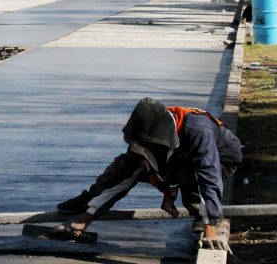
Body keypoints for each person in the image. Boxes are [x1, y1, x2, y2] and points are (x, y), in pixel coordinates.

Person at [54, 97, 242, 252]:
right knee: (122, 166)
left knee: (190, 174)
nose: (141, 148)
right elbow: (123, 179)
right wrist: (88, 216)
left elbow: (209, 174)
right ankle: (87, 201)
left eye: (146, 145)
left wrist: (210, 227)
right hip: (179, 157)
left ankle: (203, 216)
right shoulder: (147, 132)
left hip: (222, 160)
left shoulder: (196, 130)